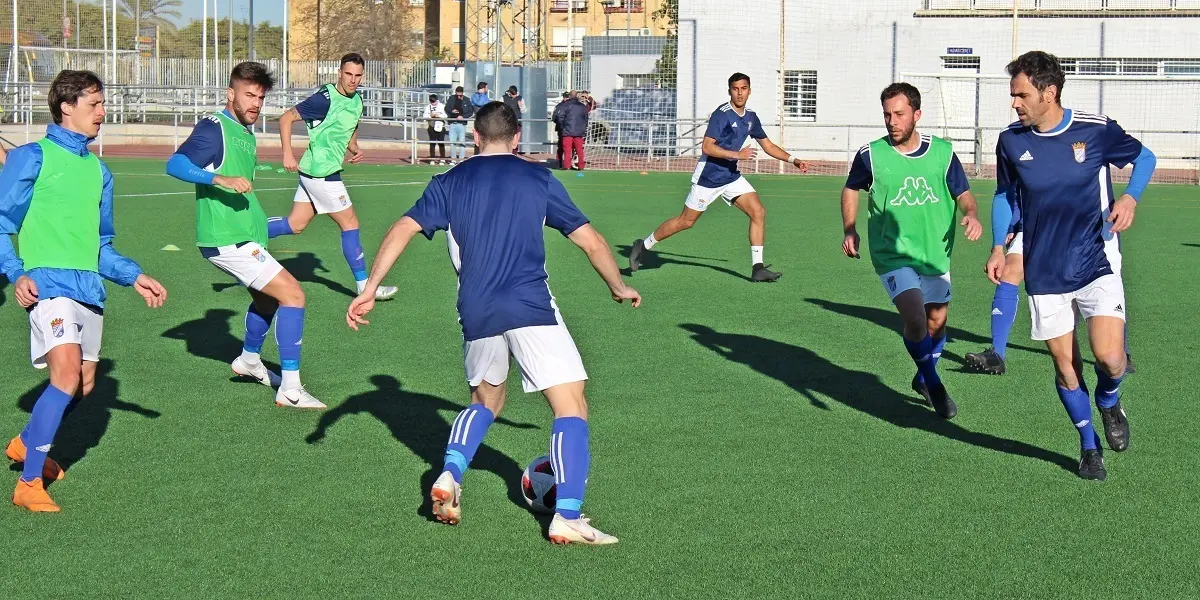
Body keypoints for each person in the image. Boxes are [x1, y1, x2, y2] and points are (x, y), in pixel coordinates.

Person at [345, 102, 641, 545]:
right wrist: (618, 286)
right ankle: (568, 515)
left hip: (476, 306)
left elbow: (403, 227)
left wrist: (370, 287)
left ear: (474, 136)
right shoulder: (539, 177)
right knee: (570, 405)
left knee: (485, 399)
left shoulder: (448, 181)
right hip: (530, 304)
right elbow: (591, 240)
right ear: (517, 137)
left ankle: (451, 471)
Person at [0, 70, 167, 512]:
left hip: (88, 288)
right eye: (94, 104)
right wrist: (17, 272)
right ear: (65, 106)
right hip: (47, 286)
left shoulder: (98, 169)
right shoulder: (32, 157)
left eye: (102, 103)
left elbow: (100, 246)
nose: (102, 112)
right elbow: (1, 222)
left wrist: (133, 276)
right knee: (66, 375)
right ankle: (29, 485)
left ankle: (26, 442)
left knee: (84, 387)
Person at [994, 51, 1154, 480]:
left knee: (1111, 358)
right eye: (1013, 95)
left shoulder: (1095, 130)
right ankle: (1088, 446)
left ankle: (1109, 402)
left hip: (1095, 259)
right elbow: (1005, 196)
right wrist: (998, 245)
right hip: (1044, 270)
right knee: (1065, 367)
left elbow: (1146, 157)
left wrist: (1130, 196)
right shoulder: (1010, 141)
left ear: (1050, 92)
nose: (1014, 103)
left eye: (1021, 95)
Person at [165, 62, 326, 410]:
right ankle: (291, 390)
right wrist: (218, 180)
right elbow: (175, 164)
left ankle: (249, 361)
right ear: (230, 94)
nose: (255, 103)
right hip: (227, 239)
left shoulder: (245, 131)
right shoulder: (215, 127)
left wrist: (275, 225)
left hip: (244, 234)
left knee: (267, 300)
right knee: (294, 295)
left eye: (260, 97)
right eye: (248, 95)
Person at [841, 83, 982, 420]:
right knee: (916, 319)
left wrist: (972, 215)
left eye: (899, 114)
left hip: (935, 253)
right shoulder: (870, 155)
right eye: (887, 115)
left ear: (916, 115)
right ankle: (934, 384)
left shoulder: (943, 153)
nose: (892, 121)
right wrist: (849, 228)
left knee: (937, 321)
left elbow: (963, 194)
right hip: (893, 255)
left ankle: (922, 374)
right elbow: (850, 188)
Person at [628, 72, 807, 282]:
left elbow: (767, 146)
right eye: (735, 89)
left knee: (758, 212)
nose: (740, 93)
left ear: (749, 90)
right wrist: (737, 155)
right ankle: (644, 245)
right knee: (686, 222)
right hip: (709, 177)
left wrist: (793, 160)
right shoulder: (721, 114)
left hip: (731, 177)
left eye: (744, 88)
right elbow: (707, 147)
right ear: (729, 90)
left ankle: (757, 268)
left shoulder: (751, 118)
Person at [260, 52, 398, 301]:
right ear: (339, 72)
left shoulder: (357, 101)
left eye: (357, 76)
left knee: (295, 224)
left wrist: (354, 147)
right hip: (322, 173)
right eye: (348, 74)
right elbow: (286, 118)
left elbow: (350, 126)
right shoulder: (324, 99)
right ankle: (366, 288)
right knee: (351, 224)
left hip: (313, 172)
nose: (353, 80)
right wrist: (287, 154)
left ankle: (245, 232)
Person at [559, 93, 589, 171]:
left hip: (568, 130)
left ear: (569, 96)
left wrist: (562, 127)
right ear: (577, 96)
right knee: (579, 149)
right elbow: (586, 118)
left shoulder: (565, 105)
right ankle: (581, 166)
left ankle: (566, 165)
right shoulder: (582, 106)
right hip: (579, 131)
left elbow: (560, 117)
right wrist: (583, 128)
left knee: (567, 149)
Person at [444, 86, 474, 163]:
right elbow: (446, 108)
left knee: (462, 142)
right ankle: (453, 159)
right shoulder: (451, 98)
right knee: (452, 142)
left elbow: (470, 111)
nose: (459, 95)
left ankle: (461, 159)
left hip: (462, 124)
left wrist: (463, 117)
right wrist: (451, 111)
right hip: (453, 123)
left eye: (460, 93)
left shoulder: (466, 100)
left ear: (462, 93)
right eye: (457, 93)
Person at [424, 94, 448, 163]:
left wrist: (439, 115)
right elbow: (425, 116)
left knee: (441, 143)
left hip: (441, 126)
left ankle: (442, 158)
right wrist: (430, 116)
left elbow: (446, 115)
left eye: (435, 102)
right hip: (431, 126)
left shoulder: (442, 106)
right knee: (432, 143)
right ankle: (432, 158)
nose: (434, 103)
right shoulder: (428, 107)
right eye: (432, 102)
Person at [503, 85, 526, 153]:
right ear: (510, 93)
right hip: (507, 122)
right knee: (507, 138)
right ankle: (506, 152)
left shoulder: (520, 98)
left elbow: (524, 111)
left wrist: (521, 106)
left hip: (517, 121)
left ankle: (514, 153)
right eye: (513, 94)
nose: (514, 96)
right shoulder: (504, 98)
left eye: (515, 94)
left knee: (515, 138)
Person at [552, 91, 572, 167]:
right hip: (564, 129)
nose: (566, 99)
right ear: (563, 98)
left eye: (568, 97)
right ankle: (560, 162)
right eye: (566, 97)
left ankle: (565, 162)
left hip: (567, 128)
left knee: (565, 146)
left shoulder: (563, 106)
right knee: (562, 146)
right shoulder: (559, 106)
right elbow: (554, 118)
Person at [471, 82, 490, 155]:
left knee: (485, 138)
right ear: (482, 88)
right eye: (486, 87)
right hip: (478, 120)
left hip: (485, 120)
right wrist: (482, 94)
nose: (487, 89)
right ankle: (477, 154)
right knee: (478, 138)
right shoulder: (475, 96)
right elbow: (480, 103)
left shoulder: (485, 96)